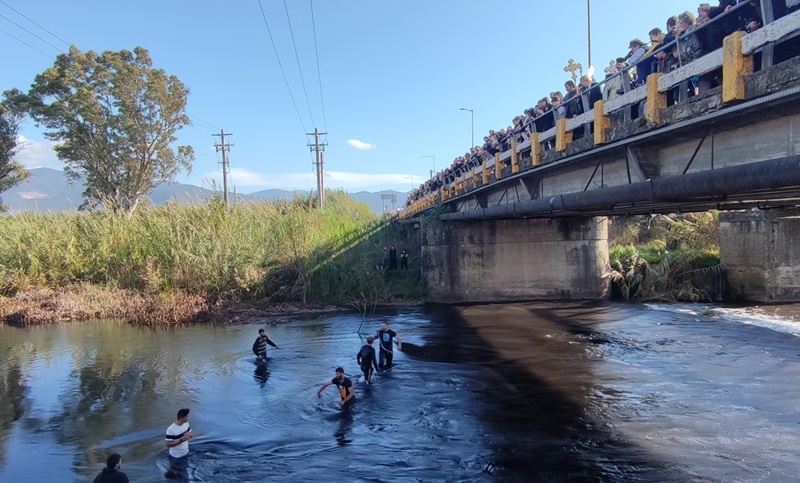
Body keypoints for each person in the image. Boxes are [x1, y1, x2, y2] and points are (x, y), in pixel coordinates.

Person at [165, 408, 193, 479]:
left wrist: (189, 435)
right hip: (176, 457)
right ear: (182, 418)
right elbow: (168, 444)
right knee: (177, 475)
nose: (189, 418)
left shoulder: (186, 423)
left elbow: (190, 433)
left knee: (184, 472)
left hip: (185, 453)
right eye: (187, 417)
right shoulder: (171, 429)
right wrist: (181, 440)